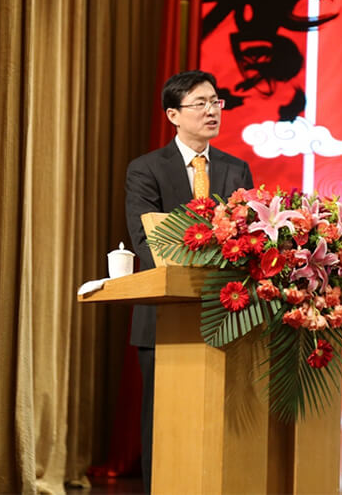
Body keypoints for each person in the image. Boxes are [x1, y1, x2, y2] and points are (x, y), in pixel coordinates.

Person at [124, 69, 254, 493]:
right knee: (163, 423)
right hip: (164, 316)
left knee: (220, 421)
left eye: (216, 101)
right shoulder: (146, 169)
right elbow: (147, 240)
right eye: (200, 103)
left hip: (226, 315)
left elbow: (248, 239)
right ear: (173, 115)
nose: (212, 110)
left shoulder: (236, 169)